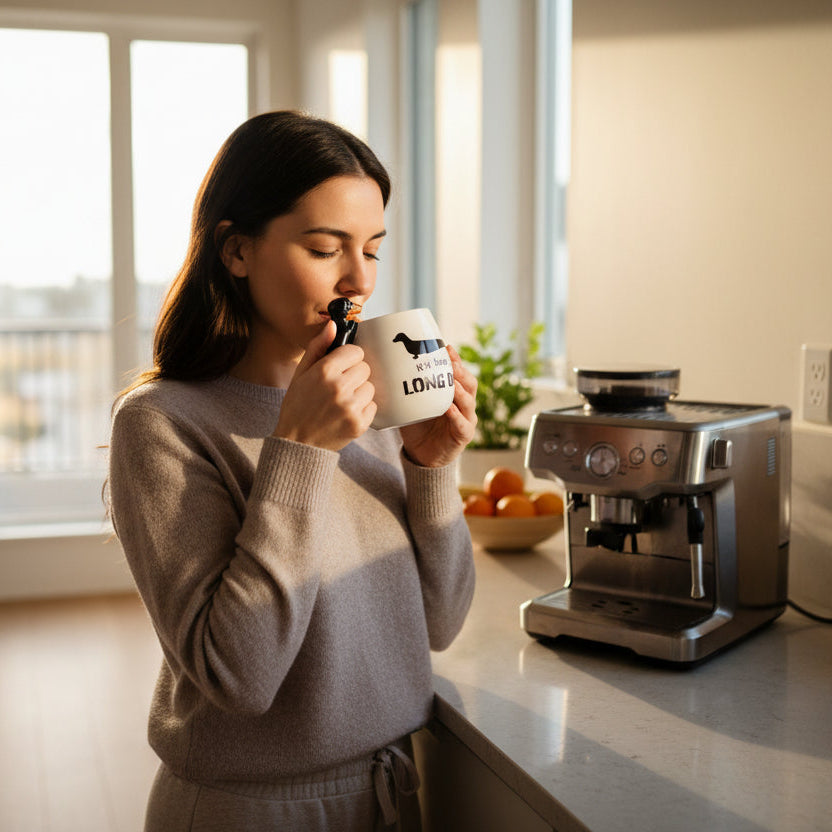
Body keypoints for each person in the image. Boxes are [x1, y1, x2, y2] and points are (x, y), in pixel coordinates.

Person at [107, 110, 477, 832]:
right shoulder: (162, 423)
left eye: (372, 250)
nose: (357, 281)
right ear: (237, 249)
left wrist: (431, 467)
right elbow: (238, 678)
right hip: (248, 811)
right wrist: (301, 451)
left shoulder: (368, 400)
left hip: (388, 793)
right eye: (323, 248)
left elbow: (441, 622)